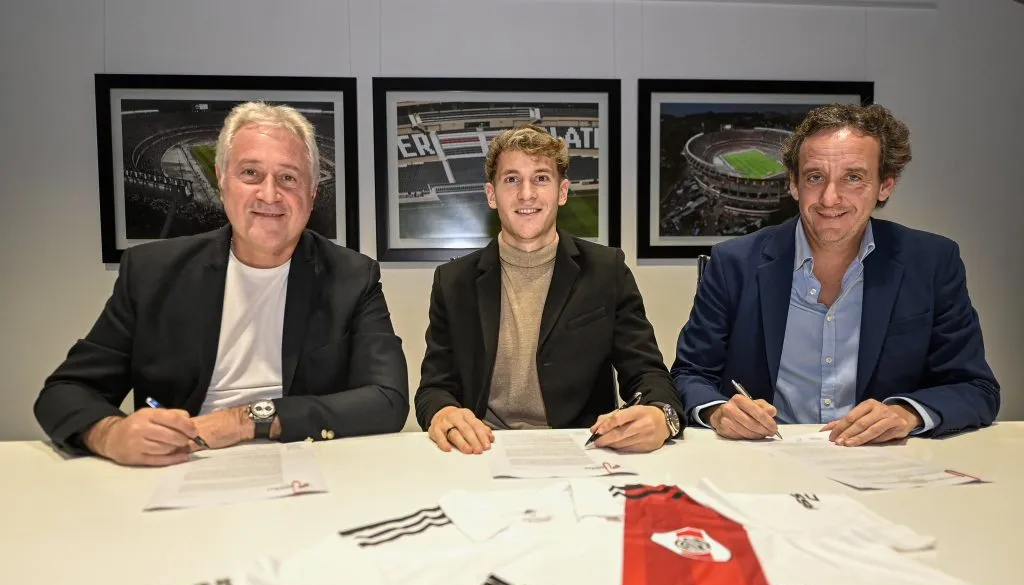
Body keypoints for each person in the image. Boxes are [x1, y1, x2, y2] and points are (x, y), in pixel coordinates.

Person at [34, 102, 409, 466]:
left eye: (288, 177)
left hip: (303, 468)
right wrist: (110, 435)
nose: (269, 194)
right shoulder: (152, 273)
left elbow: (388, 400)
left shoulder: (352, 276)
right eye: (250, 173)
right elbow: (65, 392)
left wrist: (245, 421)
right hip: (179, 467)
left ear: (311, 193)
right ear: (222, 181)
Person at [672, 103, 999, 445]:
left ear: (885, 186)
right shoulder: (734, 263)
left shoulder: (931, 262)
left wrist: (907, 413)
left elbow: (975, 388)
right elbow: (689, 374)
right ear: (794, 185)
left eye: (853, 177)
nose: (830, 198)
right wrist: (718, 412)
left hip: (883, 464)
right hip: (766, 460)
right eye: (815, 177)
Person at [415, 125, 683, 454]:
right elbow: (434, 388)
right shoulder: (453, 280)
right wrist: (443, 412)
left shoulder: (605, 270)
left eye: (541, 178)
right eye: (511, 179)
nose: (526, 194)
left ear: (562, 191)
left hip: (582, 449)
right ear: (491, 194)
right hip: (483, 450)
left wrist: (661, 415)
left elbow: (648, 374)